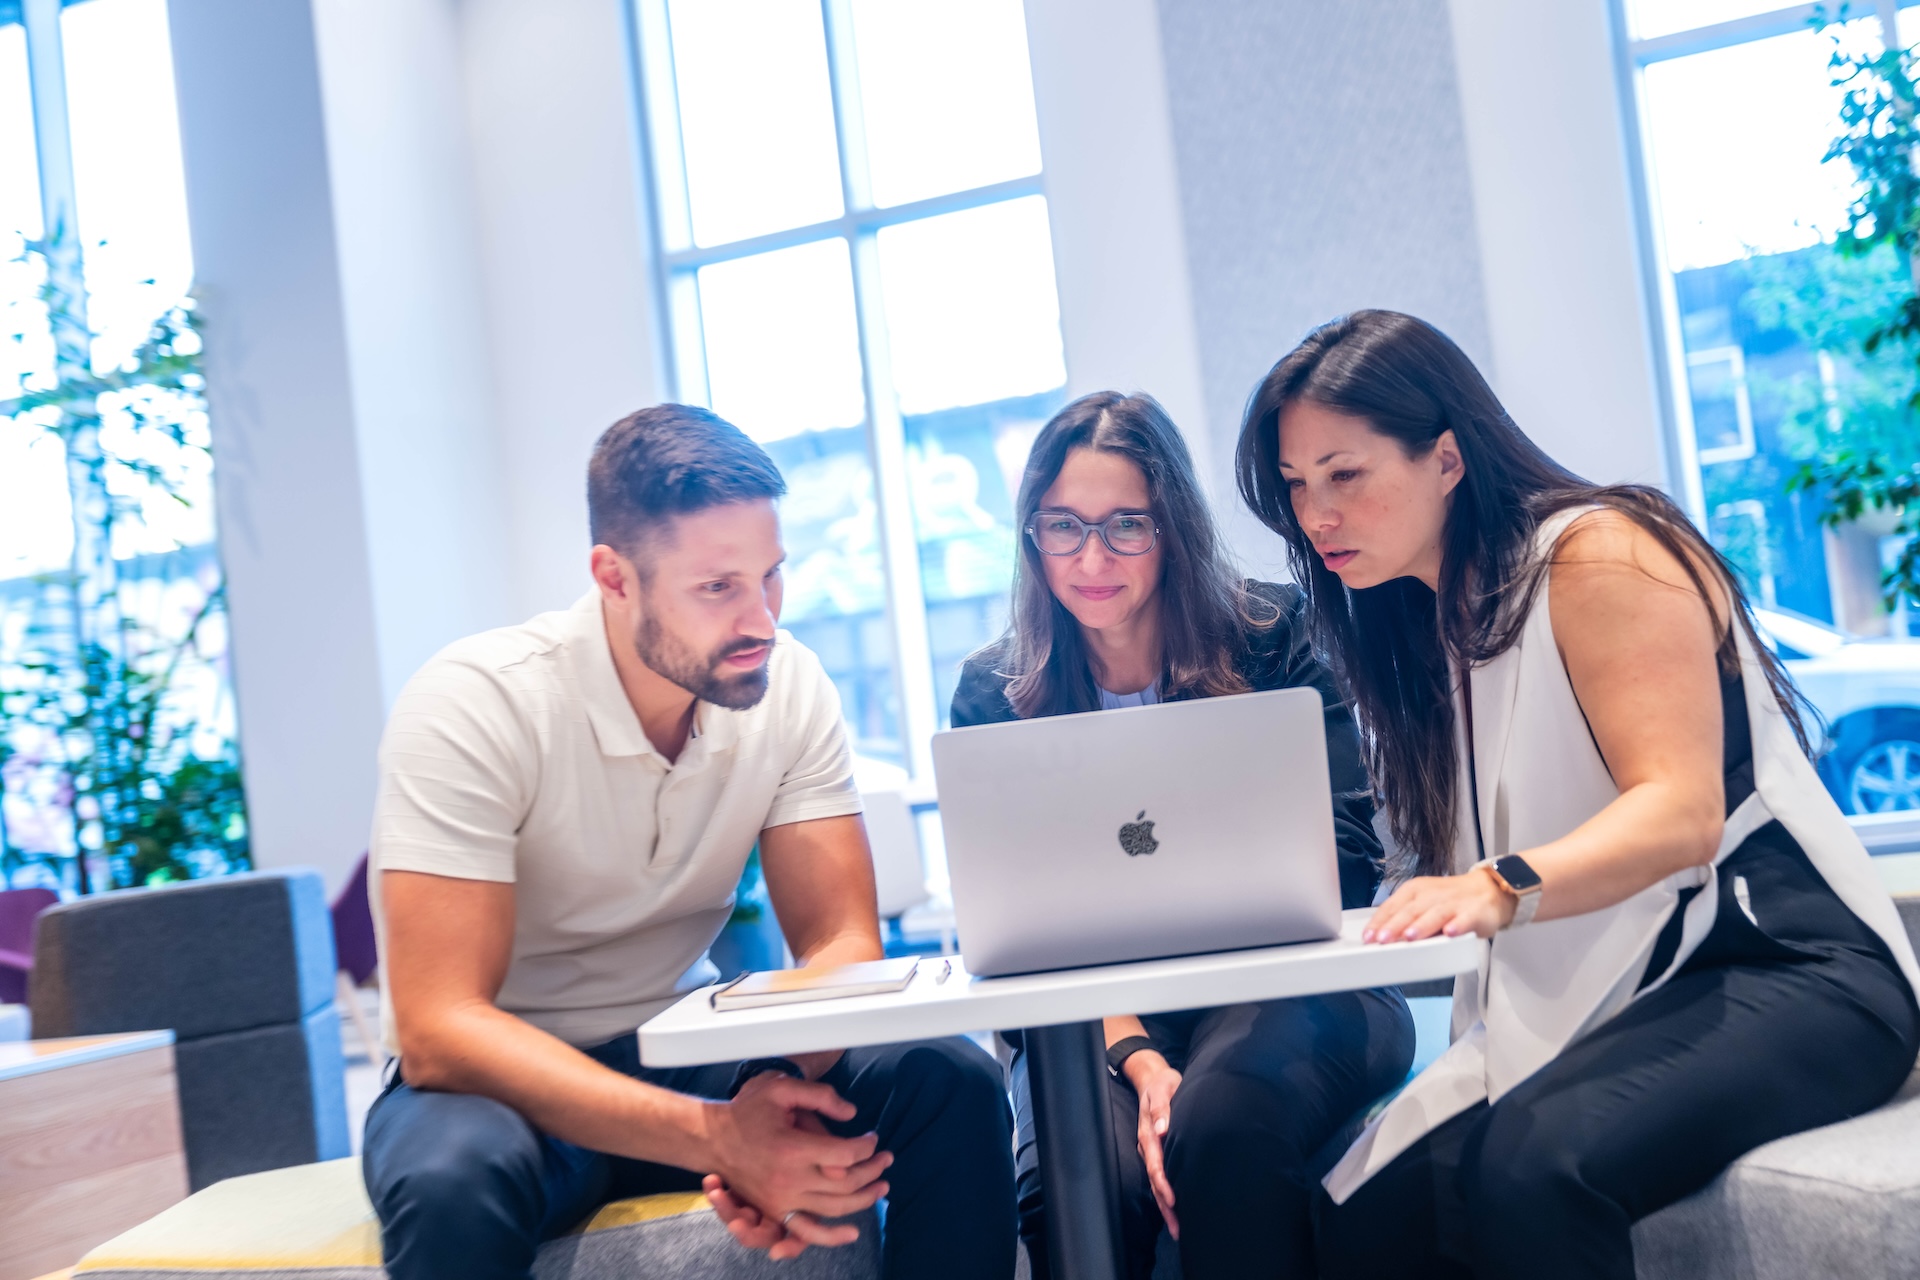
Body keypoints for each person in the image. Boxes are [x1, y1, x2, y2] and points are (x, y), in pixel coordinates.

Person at [1233, 310, 1920, 1280]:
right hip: (1630, 980)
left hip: (1787, 965)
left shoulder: (1602, 550)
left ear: (1446, 458)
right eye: (1297, 485)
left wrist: (1497, 885)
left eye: (1344, 474)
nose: (1316, 515)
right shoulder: (1437, 619)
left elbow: (1681, 811)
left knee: (1532, 1169)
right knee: (1364, 1215)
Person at [361, 404, 1017, 1280]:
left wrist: (771, 1089)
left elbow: (839, 940)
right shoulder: (477, 703)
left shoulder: (787, 686)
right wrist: (718, 1139)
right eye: (717, 588)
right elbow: (441, 1027)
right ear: (614, 577)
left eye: (771, 576)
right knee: (451, 1182)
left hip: (684, 1045)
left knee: (949, 1082)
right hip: (502, 1085)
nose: (762, 620)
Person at [950, 391, 1414, 1280]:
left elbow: (1345, 863)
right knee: (1085, 1181)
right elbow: (1018, 926)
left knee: (1225, 1125)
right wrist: (1137, 1053)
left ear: (1174, 528)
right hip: (1091, 1016)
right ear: (1030, 534)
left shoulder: (1272, 635)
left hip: (1290, 985)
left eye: (1126, 525)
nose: (1092, 558)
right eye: (1063, 526)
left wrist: (1191, 1062)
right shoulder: (995, 691)